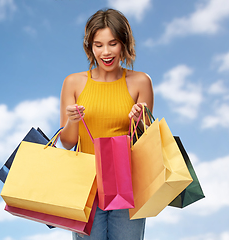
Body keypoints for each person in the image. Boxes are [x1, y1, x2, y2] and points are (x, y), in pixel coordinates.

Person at [59, 8, 154, 240]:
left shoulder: (141, 82)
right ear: (89, 47)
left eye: (113, 43)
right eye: (98, 44)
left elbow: (147, 143)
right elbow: (68, 143)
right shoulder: (73, 83)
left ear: (124, 43)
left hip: (128, 185)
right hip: (86, 186)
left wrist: (141, 121)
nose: (106, 52)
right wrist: (72, 122)